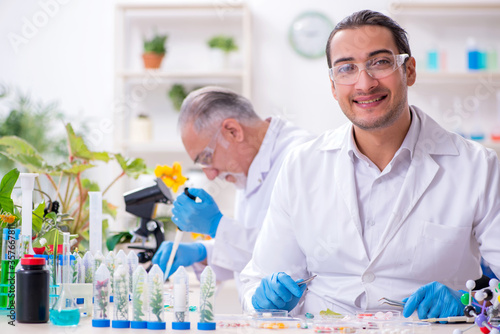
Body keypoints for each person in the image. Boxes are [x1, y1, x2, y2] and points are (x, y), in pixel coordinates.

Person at [239, 9, 500, 320]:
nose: (364, 83)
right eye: (346, 68)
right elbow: (258, 283)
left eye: (380, 62)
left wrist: (470, 304)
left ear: (410, 70)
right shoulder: (301, 166)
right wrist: (264, 299)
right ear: (333, 86)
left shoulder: (477, 167)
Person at [152, 86, 314, 297]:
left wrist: (216, 225)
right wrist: (203, 253)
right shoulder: (248, 165)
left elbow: (293, 258)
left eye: (206, 158)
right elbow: (254, 251)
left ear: (233, 131)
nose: (210, 175)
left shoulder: (304, 158)